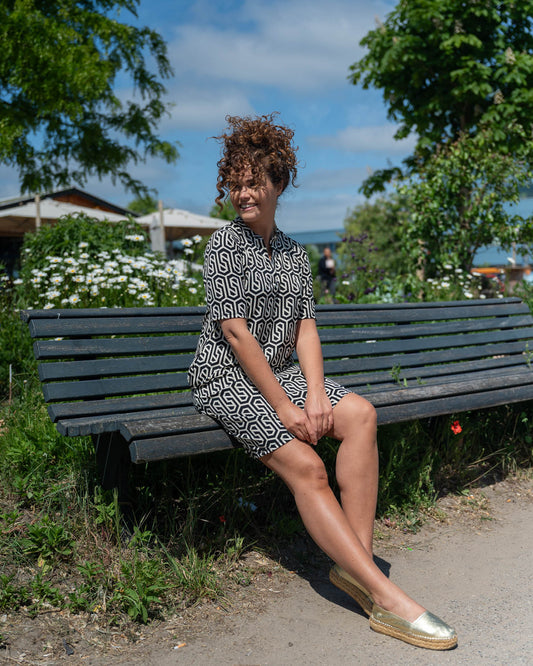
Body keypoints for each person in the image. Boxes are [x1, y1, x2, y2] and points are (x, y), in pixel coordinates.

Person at [188, 114, 457, 651]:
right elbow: (237, 335)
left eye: (253, 182)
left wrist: (313, 393)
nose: (243, 193)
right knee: (309, 468)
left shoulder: (294, 253)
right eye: (235, 183)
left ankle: (356, 567)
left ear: (278, 183)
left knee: (360, 414)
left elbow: (305, 328)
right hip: (225, 377)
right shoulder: (223, 245)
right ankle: (385, 596)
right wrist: (285, 406)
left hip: (283, 374)